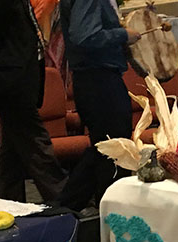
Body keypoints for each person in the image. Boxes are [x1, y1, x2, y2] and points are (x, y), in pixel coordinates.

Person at [0, 0, 68, 203]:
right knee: (36, 144)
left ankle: (9, 201)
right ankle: (66, 200)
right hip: (11, 80)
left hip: (19, 77)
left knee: (12, 148)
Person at [57, 0, 142, 211]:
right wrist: (123, 35)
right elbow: (84, 35)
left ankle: (67, 209)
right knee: (114, 149)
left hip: (95, 79)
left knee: (106, 149)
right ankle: (109, 213)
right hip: (99, 80)